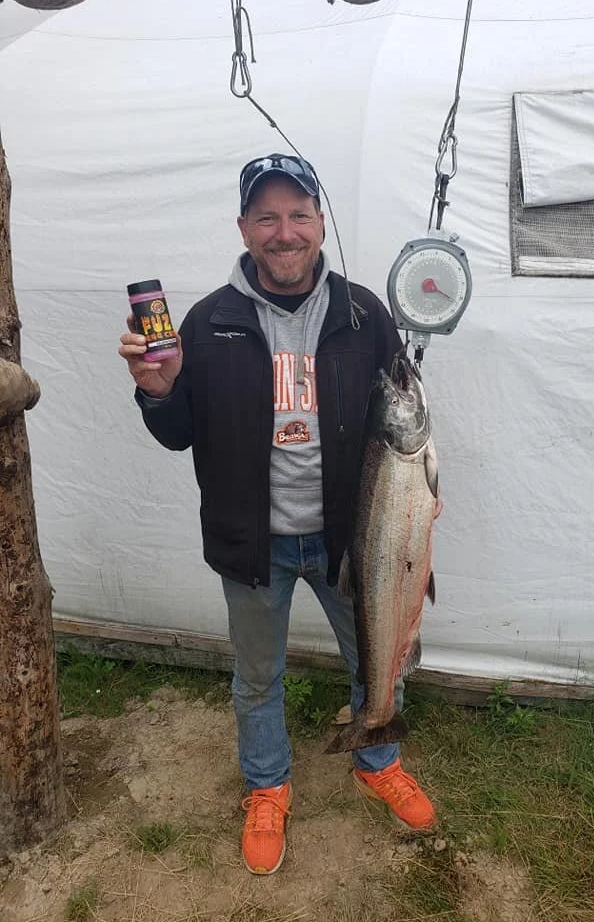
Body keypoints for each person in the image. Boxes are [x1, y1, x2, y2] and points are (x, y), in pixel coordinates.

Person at [118, 153, 436, 876]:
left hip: (350, 540)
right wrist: (159, 390)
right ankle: (267, 785)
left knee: (377, 657)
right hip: (253, 542)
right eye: (267, 216)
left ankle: (376, 756)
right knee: (257, 677)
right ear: (244, 227)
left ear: (321, 224)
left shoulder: (364, 314)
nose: (284, 232)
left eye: (298, 215)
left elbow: (401, 419)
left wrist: (419, 496)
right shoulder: (207, 322)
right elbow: (176, 434)